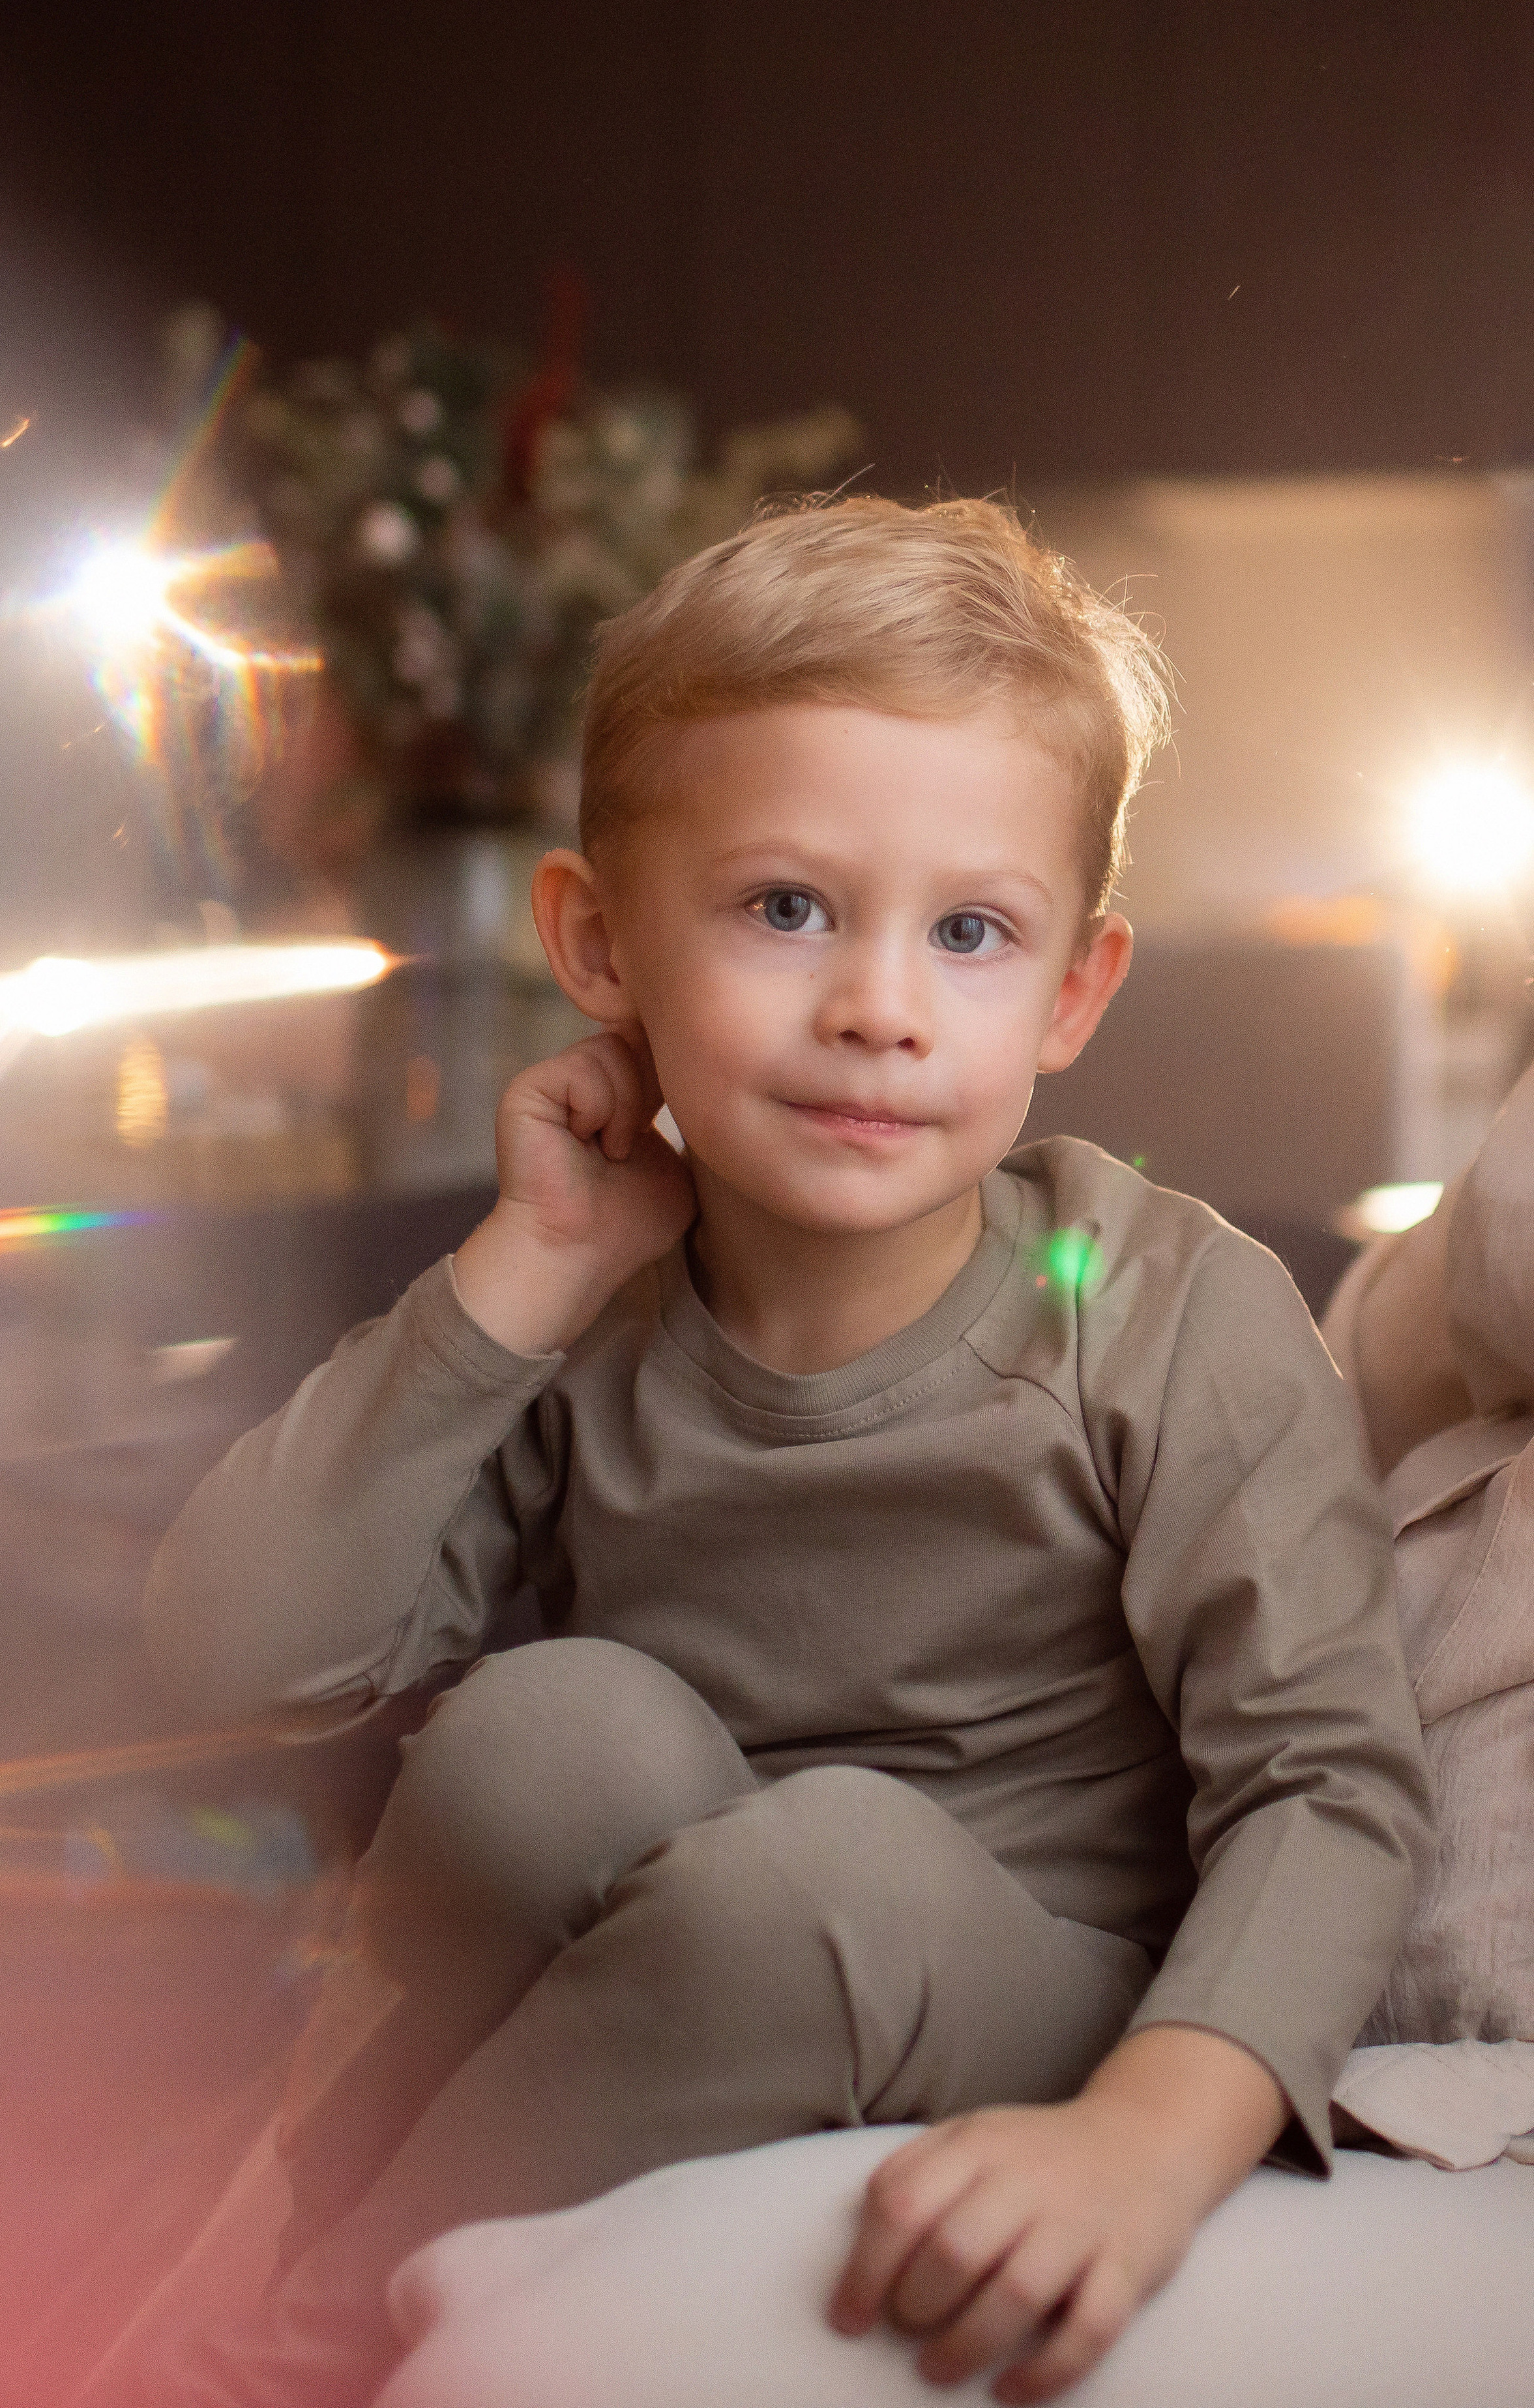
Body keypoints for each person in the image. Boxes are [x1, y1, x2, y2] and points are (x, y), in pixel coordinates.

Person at [125, 497, 1434, 2407]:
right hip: (690, 1920)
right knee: (539, 1734)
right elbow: (230, 1655)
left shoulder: (1157, 1309)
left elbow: (1331, 1781)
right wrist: (530, 1268)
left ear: (1074, 990)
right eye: (785, 907)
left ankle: (280, 2355)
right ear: (597, 942)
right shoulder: (590, 1321)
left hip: (1039, 1972)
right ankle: (362, 2183)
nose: (876, 1009)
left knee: (812, 1875)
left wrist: (1154, 2132)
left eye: (972, 933)